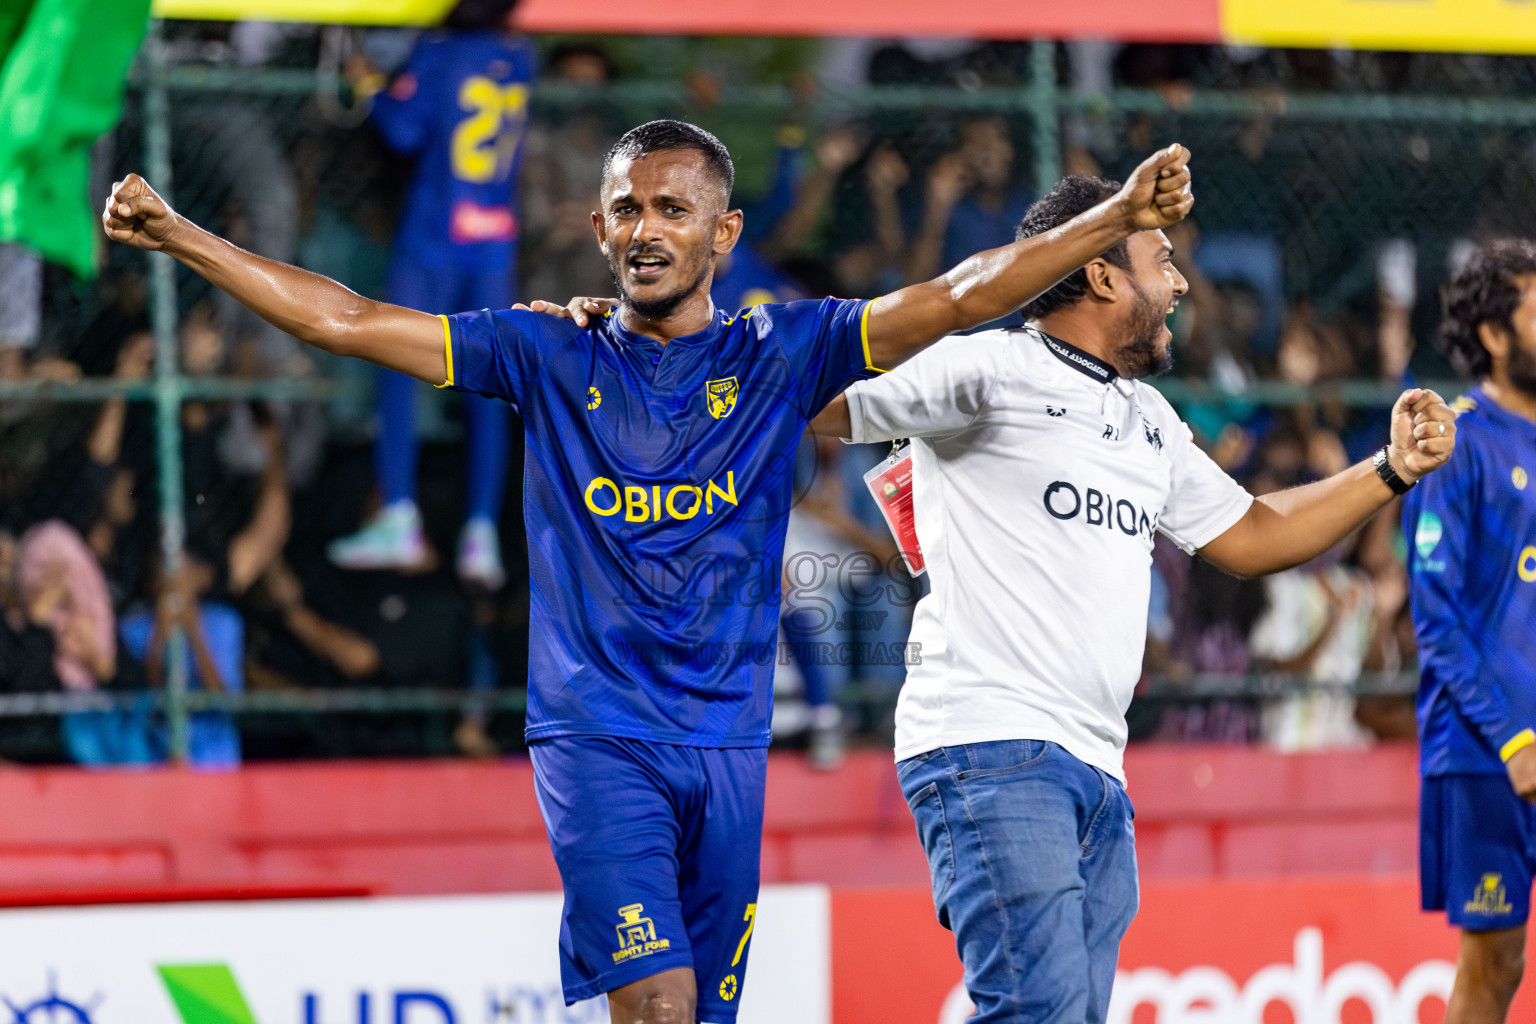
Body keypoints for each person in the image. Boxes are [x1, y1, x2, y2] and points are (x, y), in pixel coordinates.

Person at [101, 121, 1193, 1024]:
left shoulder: (785, 353)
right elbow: (344, 319)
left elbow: (959, 296)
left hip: (728, 744)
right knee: (660, 1006)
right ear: (598, 226)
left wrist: (1114, 218)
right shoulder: (544, 351)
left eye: (674, 210)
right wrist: (183, 234)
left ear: (725, 233)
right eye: (628, 208)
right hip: (597, 734)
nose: (646, 229)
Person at [808, 174, 1458, 1024]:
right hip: (990, 745)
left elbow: (1253, 531)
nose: (1183, 282)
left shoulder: (1150, 420)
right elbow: (813, 394)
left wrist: (1390, 471)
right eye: (1164, 260)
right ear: (1104, 274)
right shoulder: (984, 367)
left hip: (1099, 773)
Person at [328, 0, 535, 589]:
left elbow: (402, 128)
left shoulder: (443, 53)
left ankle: (399, 511)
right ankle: (481, 534)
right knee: (489, 390)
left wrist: (369, 82)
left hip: (435, 235)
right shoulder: (522, 55)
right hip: (494, 238)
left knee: (395, 362)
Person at [1405, 238, 1536, 1024]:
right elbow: (1436, 619)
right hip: (1486, 752)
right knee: (1495, 966)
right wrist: (1516, 739)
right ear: (1495, 334)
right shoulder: (1456, 444)